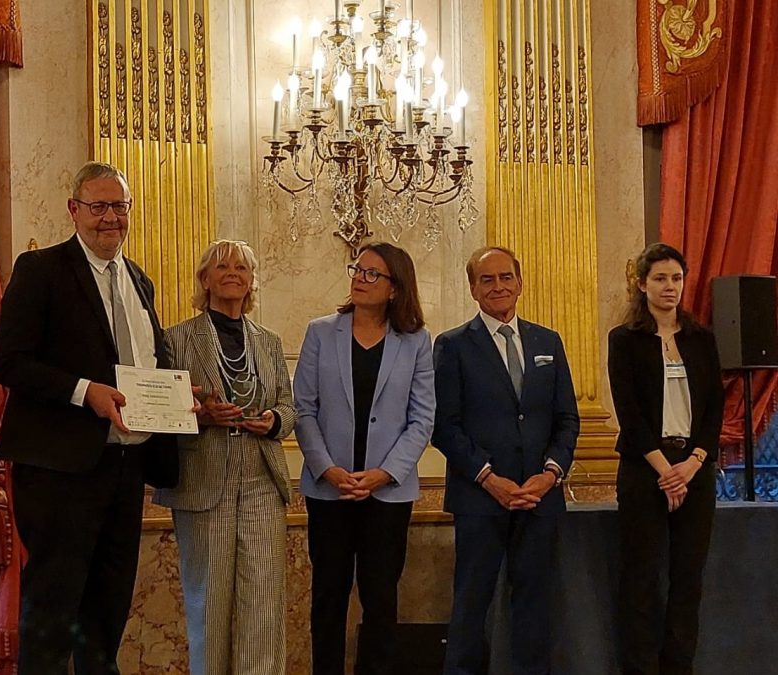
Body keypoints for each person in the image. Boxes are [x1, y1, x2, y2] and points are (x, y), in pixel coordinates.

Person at [0, 161, 180, 674]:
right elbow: (6, 362)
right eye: (98, 206)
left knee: (108, 609)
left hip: (126, 468)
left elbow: (152, 364)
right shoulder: (42, 270)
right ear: (74, 210)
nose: (110, 218)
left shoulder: (139, 280)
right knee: (54, 608)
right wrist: (84, 392)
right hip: (59, 471)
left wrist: (184, 398)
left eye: (119, 206)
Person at [433, 246, 579, 675]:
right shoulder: (454, 345)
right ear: (473, 289)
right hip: (480, 499)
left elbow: (567, 418)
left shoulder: (547, 341)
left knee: (534, 607)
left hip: (539, 500)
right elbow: (444, 425)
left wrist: (550, 474)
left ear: (519, 281)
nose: (498, 287)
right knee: (470, 606)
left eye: (505, 277)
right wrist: (488, 477)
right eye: (487, 280)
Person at [293, 242, 436, 675]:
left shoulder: (415, 341)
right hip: (328, 490)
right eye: (358, 269)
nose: (359, 277)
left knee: (380, 599)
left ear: (395, 288)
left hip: (386, 494)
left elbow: (422, 417)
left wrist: (383, 473)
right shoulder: (321, 331)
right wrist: (328, 469)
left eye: (373, 273)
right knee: (328, 596)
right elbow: (303, 409)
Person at [153, 239, 294, 675]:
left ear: (251, 282)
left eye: (241, 268)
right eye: (222, 267)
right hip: (203, 481)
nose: (232, 273)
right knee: (208, 602)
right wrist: (203, 416)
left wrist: (271, 420)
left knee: (263, 604)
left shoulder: (268, 342)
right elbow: (160, 410)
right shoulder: (175, 340)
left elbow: (290, 409)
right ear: (205, 279)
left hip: (261, 483)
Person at [607, 243, 723, 675]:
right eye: (660, 278)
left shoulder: (702, 338)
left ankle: (679, 667)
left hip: (694, 469)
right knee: (642, 580)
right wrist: (666, 473)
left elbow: (714, 409)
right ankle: (641, 668)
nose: (669, 286)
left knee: (687, 580)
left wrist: (692, 465)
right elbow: (630, 414)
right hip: (644, 470)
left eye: (676, 278)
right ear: (642, 284)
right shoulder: (625, 340)